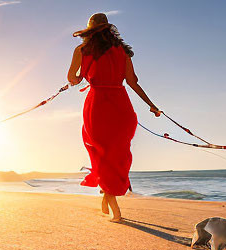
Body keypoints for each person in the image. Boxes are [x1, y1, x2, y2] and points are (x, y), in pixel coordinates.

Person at [67, 13, 161, 222]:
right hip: (121, 105)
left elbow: (72, 78)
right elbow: (133, 82)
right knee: (118, 155)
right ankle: (108, 196)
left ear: (90, 29)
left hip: (97, 104)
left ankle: (113, 206)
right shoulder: (122, 51)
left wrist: (80, 77)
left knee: (101, 153)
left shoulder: (82, 50)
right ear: (109, 28)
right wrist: (152, 106)